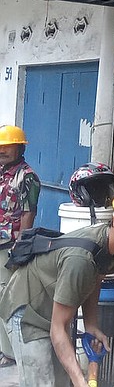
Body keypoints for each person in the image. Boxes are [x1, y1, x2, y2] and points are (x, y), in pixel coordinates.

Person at [0, 185, 114, 387]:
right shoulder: (80, 260)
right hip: (26, 309)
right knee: (42, 382)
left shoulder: (113, 247)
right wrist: (80, 381)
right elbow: (58, 329)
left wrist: (91, 325)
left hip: (52, 308)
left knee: (61, 380)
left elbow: (95, 280)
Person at [0, 125, 40, 368]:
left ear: (20, 147)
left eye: (8, 145)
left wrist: (20, 249)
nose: (3, 150)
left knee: (7, 298)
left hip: (10, 246)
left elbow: (28, 213)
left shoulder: (27, 177)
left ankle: (11, 353)